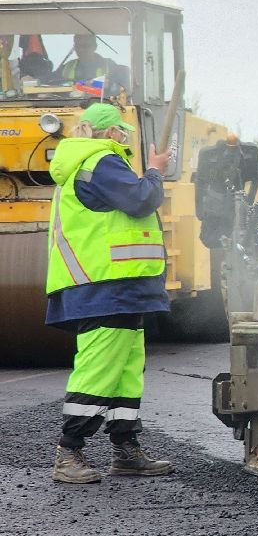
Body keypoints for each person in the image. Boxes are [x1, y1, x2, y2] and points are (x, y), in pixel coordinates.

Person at [47, 102, 174, 484]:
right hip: (105, 286)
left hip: (118, 287)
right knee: (100, 369)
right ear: (107, 132)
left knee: (124, 372)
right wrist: (155, 171)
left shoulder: (92, 163)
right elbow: (140, 199)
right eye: (120, 131)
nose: (123, 137)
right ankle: (68, 453)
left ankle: (125, 448)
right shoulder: (100, 161)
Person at [51, 31, 130, 92]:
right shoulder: (67, 67)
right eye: (78, 46)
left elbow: (123, 88)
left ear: (94, 46)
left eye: (85, 46)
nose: (81, 50)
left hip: (100, 106)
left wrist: (109, 85)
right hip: (70, 107)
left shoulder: (109, 66)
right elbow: (49, 82)